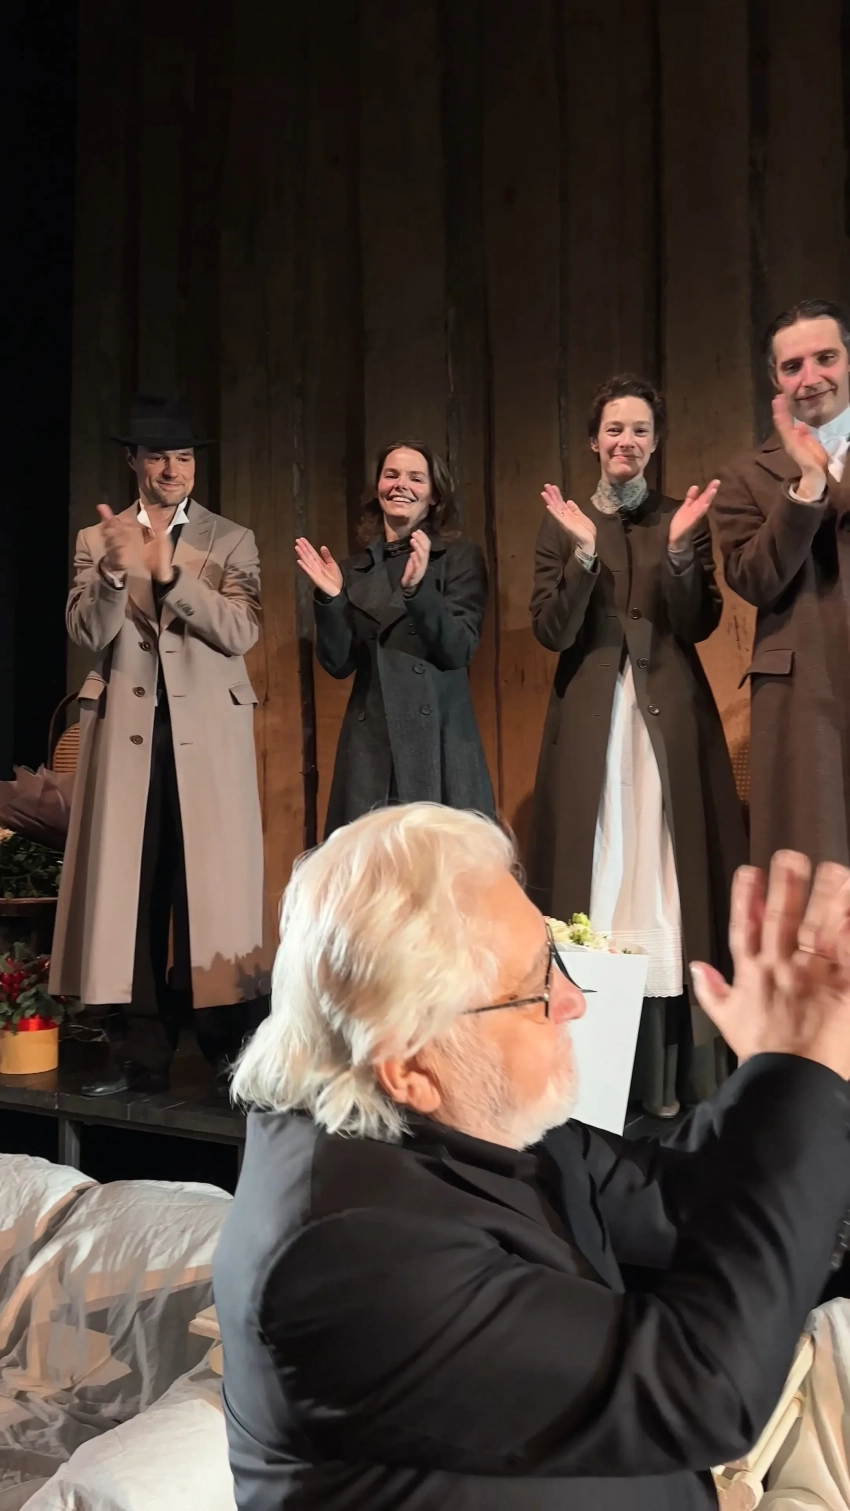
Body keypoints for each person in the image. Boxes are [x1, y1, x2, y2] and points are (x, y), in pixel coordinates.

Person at [214, 801, 850, 1511]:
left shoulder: (465, 1122)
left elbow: (685, 1203)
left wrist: (779, 1070)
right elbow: (703, 1387)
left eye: (555, 957)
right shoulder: (344, 1254)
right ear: (409, 1062)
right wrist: (805, 1073)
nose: (574, 1001)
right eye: (536, 987)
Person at [525, 374, 746, 1117]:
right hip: (592, 726)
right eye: (614, 429)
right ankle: (593, 1070)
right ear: (594, 440)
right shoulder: (564, 522)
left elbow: (698, 621)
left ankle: (675, 1073)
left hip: (667, 727)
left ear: (655, 442)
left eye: (640, 429)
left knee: (663, 877)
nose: (627, 441)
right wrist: (584, 556)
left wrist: (682, 553)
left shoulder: (680, 516)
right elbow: (552, 631)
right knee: (599, 873)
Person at [49, 395, 269, 1095]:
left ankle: (228, 1050)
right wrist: (116, 574)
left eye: (183, 457)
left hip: (208, 737)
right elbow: (87, 631)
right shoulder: (96, 539)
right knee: (136, 889)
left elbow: (240, 630)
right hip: (129, 735)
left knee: (210, 891)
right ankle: (141, 1051)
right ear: (133, 462)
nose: (173, 469)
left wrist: (170, 573)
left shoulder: (230, 538)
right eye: (158, 457)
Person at [294, 440, 494, 835]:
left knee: (441, 864)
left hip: (440, 743)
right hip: (371, 747)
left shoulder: (459, 559)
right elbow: (338, 663)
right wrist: (331, 599)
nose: (401, 484)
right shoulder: (352, 570)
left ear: (434, 495)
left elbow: (459, 648)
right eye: (392, 475)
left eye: (416, 478)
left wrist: (418, 592)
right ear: (378, 488)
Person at [714, 298, 850, 870]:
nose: (810, 377)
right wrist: (808, 485)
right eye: (793, 366)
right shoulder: (747, 474)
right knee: (814, 869)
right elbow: (754, 579)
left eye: (826, 358)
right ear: (776, 379)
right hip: (804, 697)